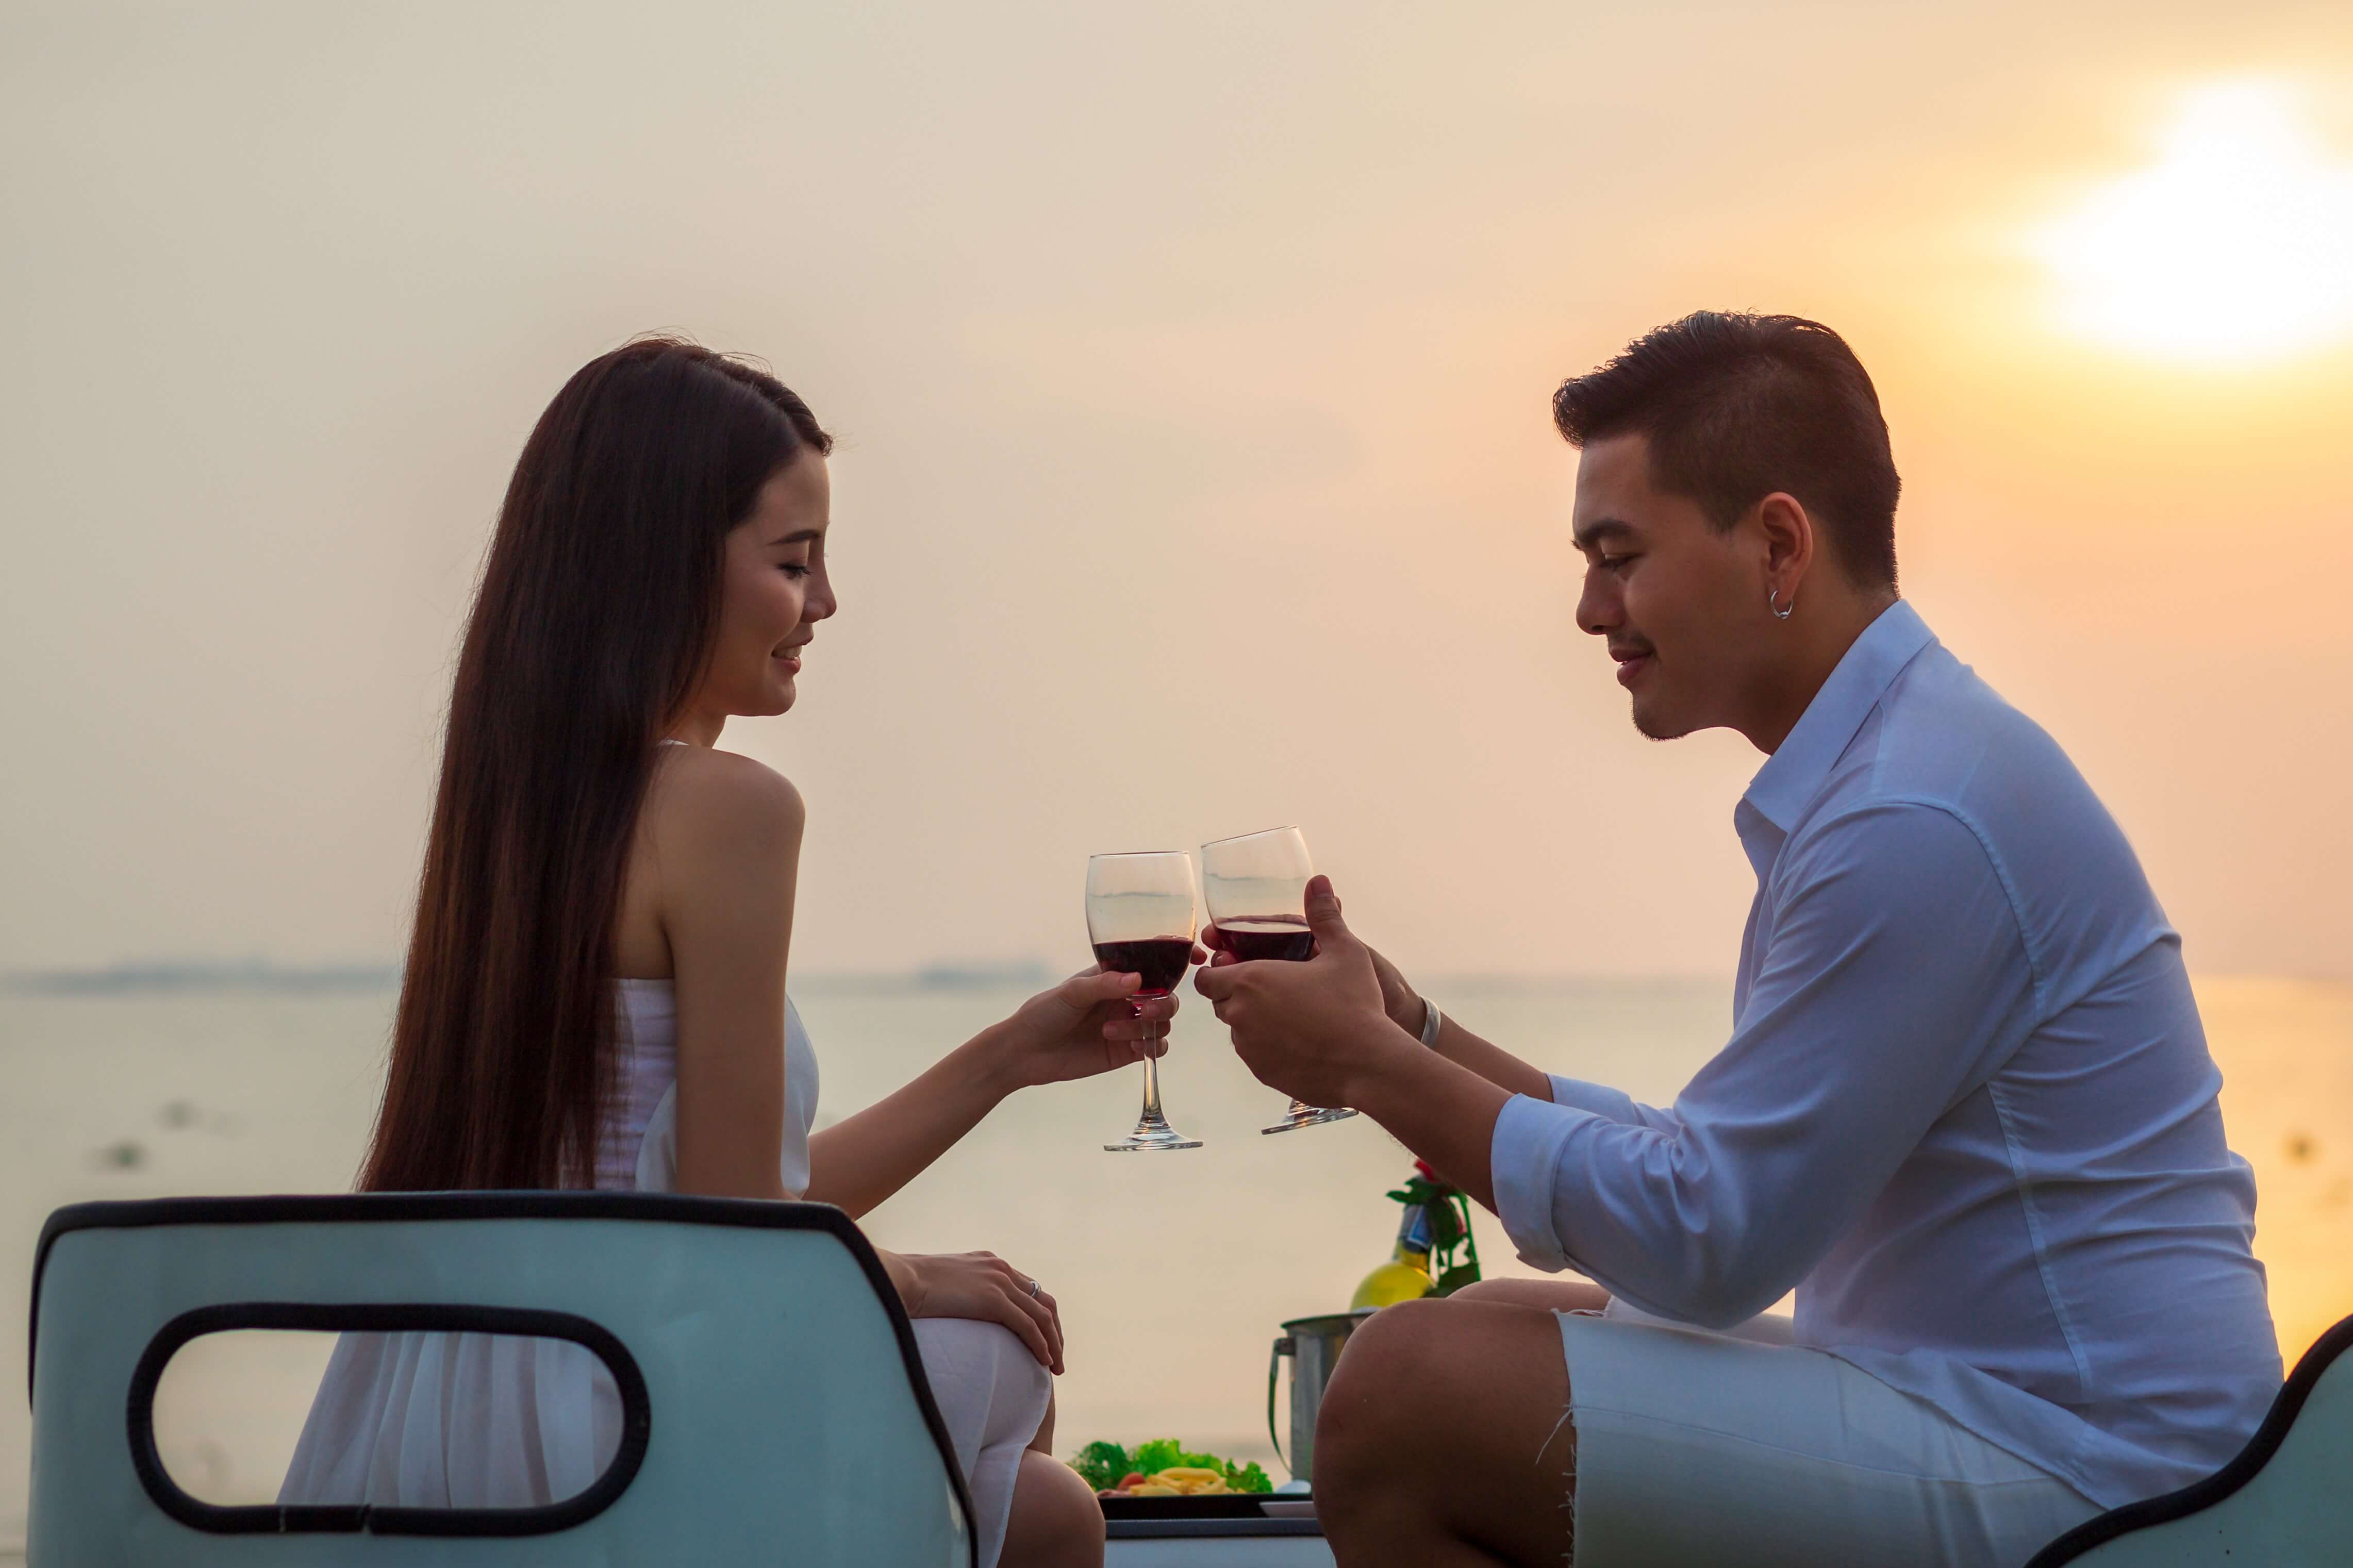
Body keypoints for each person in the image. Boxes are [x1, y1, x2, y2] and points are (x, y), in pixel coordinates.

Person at [1195, 312, 2280, 1568]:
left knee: (1405, 1391)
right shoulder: (1899, 769)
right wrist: (1415, 1034)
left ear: (1776, 543)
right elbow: (1718, 1176)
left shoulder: (1909, 816)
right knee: (1493, 1321)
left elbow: (1710, 1245)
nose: (1589, 608)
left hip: (2112, 1487)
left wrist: (1365, 1071)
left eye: (1618, 555)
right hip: (2010, 1416)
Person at [280, 338, 1169, 1568]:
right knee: (1027, 1432)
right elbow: (736, 1236)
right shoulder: (727, 809)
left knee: (1004, 1455)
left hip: (431, 1415)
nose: (824, 604)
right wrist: (906, 1280)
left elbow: (702, 1203)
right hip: (597, 1430)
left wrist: (1006, 1057)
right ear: (661, 567)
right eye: (793, 562)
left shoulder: (513, 821)